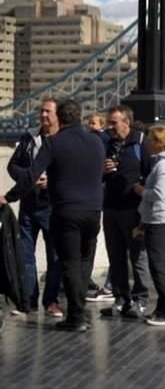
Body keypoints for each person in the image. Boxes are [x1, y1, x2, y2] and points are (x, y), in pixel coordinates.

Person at [4, 100, 105, 332]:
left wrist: (8, 197)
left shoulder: (54, 142)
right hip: (94, 211)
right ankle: (77, 310)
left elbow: (31, 176)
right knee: (82, 262)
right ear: (80, 115)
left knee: (67, 263)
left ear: (60, 117)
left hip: (66, 210)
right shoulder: (97, 141)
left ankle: (76, 317)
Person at [4, 97, 63, 317]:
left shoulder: (63, 140)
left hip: (52, 205)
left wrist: (52, 180)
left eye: (48, 111)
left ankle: (51, 301)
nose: (43, 115)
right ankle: (27, 301)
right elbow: (13, 166)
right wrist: (29, 177)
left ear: (58, 115)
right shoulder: (29, 138)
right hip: (29, 203)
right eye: (41, 111)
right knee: (26, 255)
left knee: (54, 256)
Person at [100, 105, 152, 320]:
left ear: (126, 123)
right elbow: (95, 175)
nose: (109, 127)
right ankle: (121, 298)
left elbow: (151, 175)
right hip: (110, 208)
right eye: (108, 122)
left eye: (114, 122)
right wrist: (102, 171)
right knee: (115, 256)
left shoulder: (141, 143)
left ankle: (141, 298)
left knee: (138, 256)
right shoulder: (105, 143)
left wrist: (142, 191)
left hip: (133, 210)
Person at [133, 126, 165, 327]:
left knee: (159, 268)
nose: (146, 143)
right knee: (159, 266)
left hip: (159, 221)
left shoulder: (163, 166)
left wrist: (141, 190)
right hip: (160, 219)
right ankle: (162, 308)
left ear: (158, 143)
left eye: (150, 140)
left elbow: (159, 194)